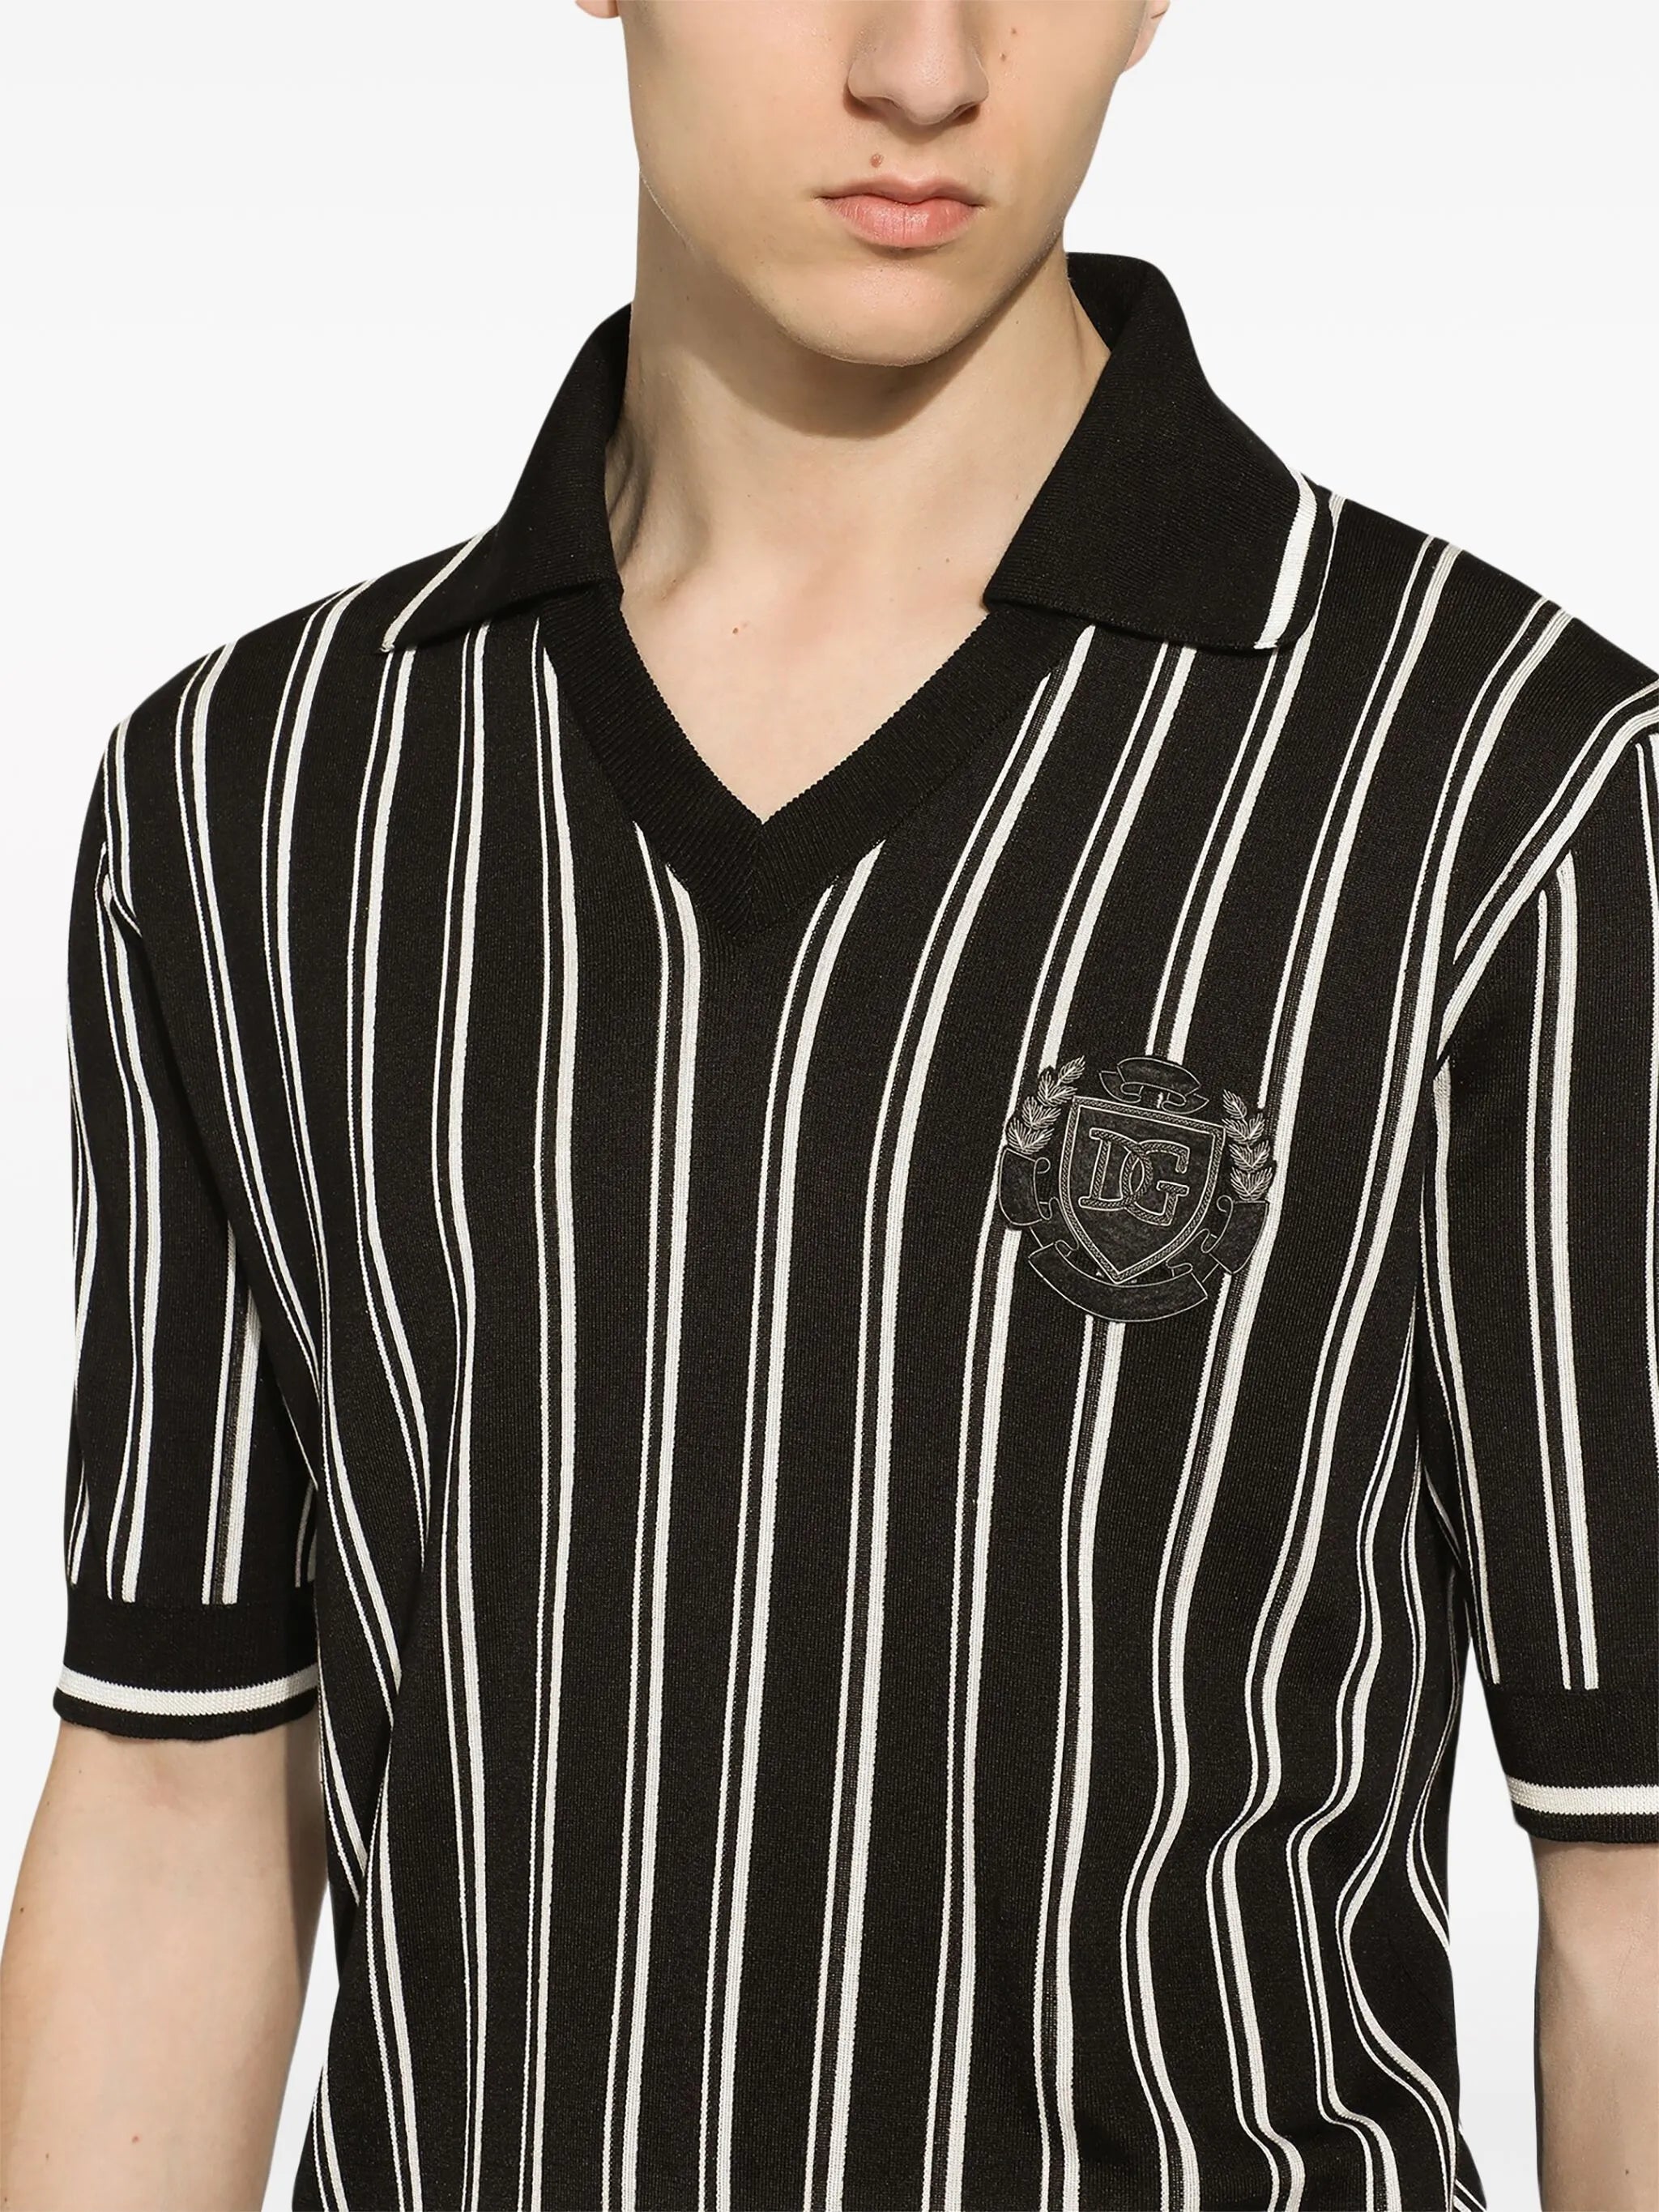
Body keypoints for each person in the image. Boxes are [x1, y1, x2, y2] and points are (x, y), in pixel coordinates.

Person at [2, 0, 1655, 2206]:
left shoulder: (1499, 787)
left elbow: (1632, 1876)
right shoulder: (263, 800)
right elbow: (174, 1792)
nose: (924, 67)